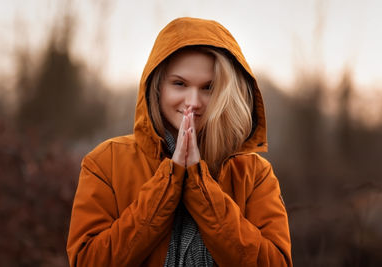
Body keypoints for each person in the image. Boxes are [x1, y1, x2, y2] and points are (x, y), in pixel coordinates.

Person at [66, 17, 292, 266]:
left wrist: (200, 186)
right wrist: (170, 181)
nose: (193, 101)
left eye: (209, 87)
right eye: (179, 84)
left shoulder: (254, 173)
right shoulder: (106, 162)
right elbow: (87, 260)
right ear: (157, 87)